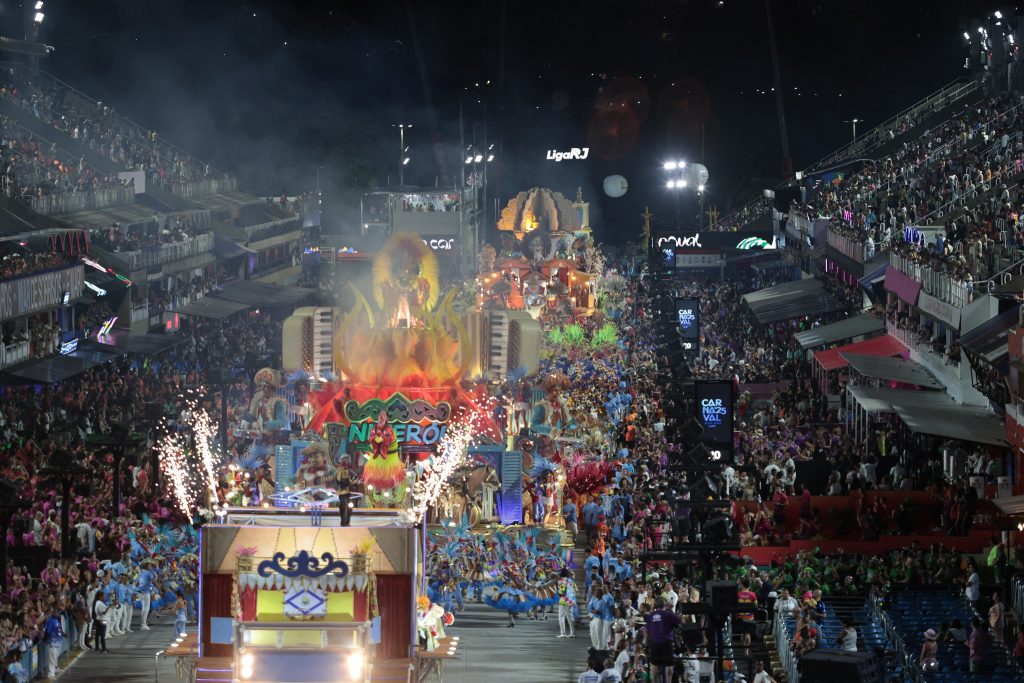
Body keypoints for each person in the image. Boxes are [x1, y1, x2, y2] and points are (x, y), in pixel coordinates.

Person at [644, 597, 680, 683]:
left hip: (654, 643)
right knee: (669, 666)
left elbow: (647, 632)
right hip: (667, 644)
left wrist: (647, 644)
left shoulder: (650, 616)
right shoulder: (669, 614)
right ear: (666, 605)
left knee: (655, 666)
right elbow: (679, 621)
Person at [135, 560, 161, 630]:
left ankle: (143, 623)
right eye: (150, 565)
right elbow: (154, 581)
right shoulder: (149, 573)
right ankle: (143, 624)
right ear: (147, 566)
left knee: (144, 608)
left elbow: (137, 582)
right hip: (146, 592)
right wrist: (159, 588)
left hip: (140, 591)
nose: (151, 566)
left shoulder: (141, 573)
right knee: (146, 608)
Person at [43, 609, 65, 679]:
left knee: (54, 657)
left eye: (57, 612)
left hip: (57, 642)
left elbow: (58, 629)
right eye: (55, 612)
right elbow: (47, 632)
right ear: (52, 613)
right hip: (52, 643)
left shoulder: (57, 620)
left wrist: (63, 634)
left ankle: (54, 670)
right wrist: (49, 639)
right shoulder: (50, 621)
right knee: (51, 658)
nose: (57, 613)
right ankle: (50, 673)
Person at [557, 569, 577, 638]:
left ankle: (563, 633)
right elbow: (576, 590)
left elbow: (561, 591)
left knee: (561, 616)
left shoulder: (561, 581)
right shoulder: (571, 580)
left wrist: (559, 593)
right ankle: (573, 633)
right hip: (572, 600)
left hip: (564, 600)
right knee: (570, 616)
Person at [335, 462, 354, 527]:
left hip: (347, 493)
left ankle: (346, 522)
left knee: (349, 508)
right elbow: (339, 482)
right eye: (343, 466)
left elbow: (350, 483)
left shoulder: (347, 473)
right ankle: (344, 522)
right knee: (344, 507)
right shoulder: (339, 473)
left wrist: (352, 482)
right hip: (342, 493)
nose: (344, 468)